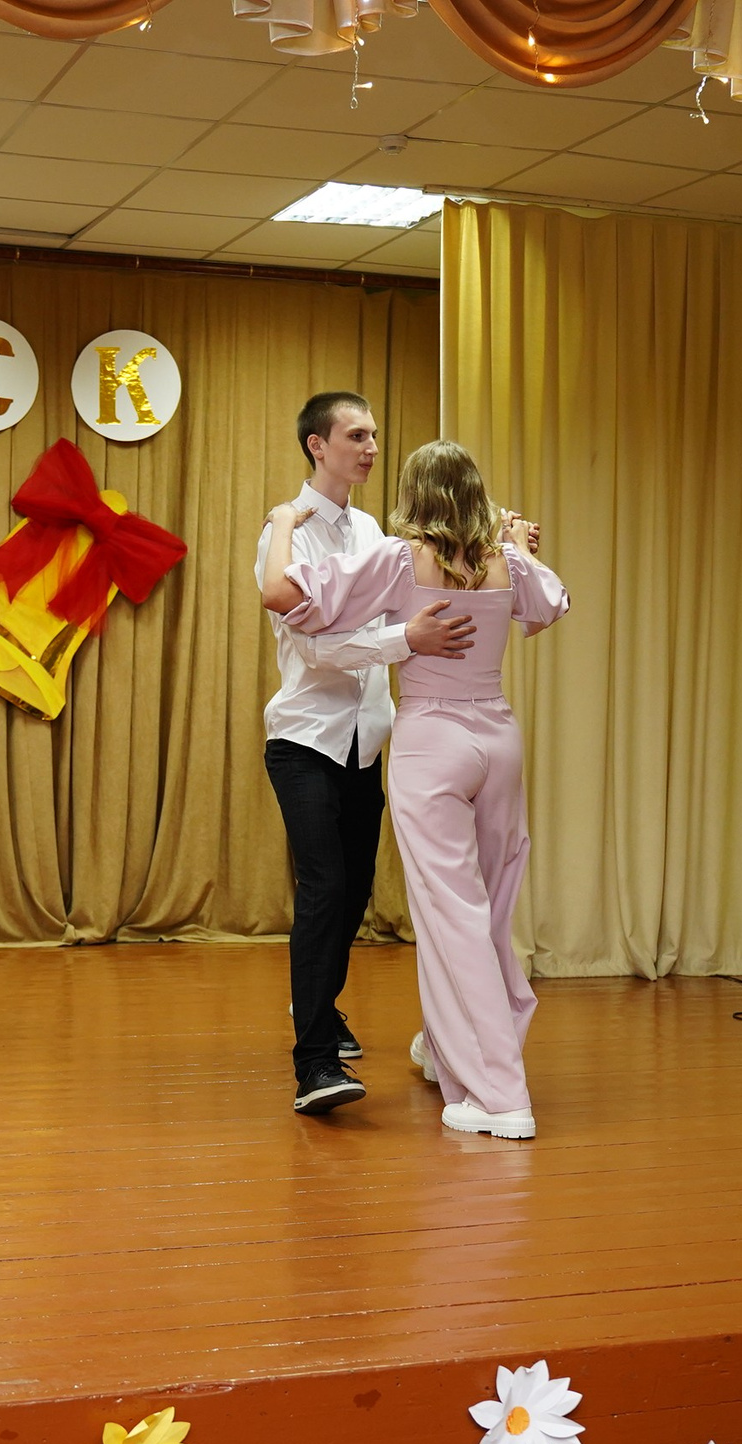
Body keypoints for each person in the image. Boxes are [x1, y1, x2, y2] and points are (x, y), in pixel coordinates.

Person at [258, 440, 567, 1140]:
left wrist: (282, 526)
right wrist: (517, 543)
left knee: (450, 914)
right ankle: (444, 1046)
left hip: (434, 744)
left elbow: (284, 596)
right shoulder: (506, 561)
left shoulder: (401, 558)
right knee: (490, 906)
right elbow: (550, 606)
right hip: (500, 741)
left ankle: (498, 1096)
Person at [258, 391, 478, 1117]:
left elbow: (420, 604)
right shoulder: (284, 534)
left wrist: (499, 544)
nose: (372, 446)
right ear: (317, 446)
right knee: (323, 889)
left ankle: (318, 1005)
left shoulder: (378, 532)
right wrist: (400, 641)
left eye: (376, 434)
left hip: (365, 744)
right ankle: (314, 1064)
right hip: (304, 739)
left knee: (351, 895)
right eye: (356, 435)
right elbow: (315, 650)